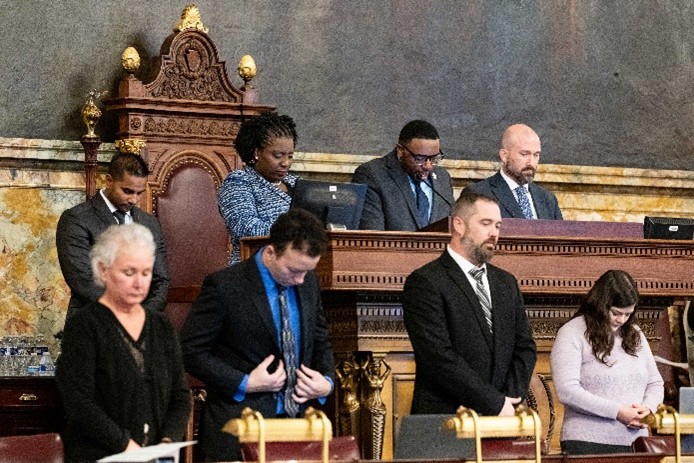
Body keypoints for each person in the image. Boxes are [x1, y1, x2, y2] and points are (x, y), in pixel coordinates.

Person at [180, 208, 336, 461]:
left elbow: (320, 340)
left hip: (298, 429)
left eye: (307, 271)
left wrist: (326, 382)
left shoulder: (308, 283)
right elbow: (190, 352)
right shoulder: (225, 286)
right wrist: (245, 382)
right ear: (271, 252)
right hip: (240, 427)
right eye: (293, 270)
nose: (300, 280)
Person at [56, 224, 191, 463]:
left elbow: (180, 396)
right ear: (103, 270)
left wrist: (167, 443)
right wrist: (126, 446)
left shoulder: (161, 326)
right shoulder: (84, 326)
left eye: (146, 273)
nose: (139, 283)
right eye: (129, 273)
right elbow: (79, 402)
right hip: (99, 456)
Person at [402, 191, 536, 416]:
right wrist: (493, 402)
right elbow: (438, 357)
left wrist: (509, 400)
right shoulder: (426, 281)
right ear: (459, 225)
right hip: (446, 418)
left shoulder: (506, 282)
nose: (494, 233)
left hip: (504, 416)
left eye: (498, 226)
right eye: (486, 223)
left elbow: (525, 347)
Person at [550, 270, 663, 455]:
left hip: (638, 442)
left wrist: (648, 408)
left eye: (628, 314)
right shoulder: (572, 332)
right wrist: (617, 411)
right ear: (600, 304)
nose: (621, 320)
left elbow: (655, 383)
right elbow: (567, 390)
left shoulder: (635, 333)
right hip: (586, 442)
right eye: (616, 313)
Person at [56, 152, 170, 317]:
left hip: (142, 323)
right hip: (92, 322)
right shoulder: (77, 219)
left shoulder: (150, 223)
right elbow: (83, 280)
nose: (134, 200)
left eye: (139, 193)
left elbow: (161, 280)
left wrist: (142, 316)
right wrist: (127, 312)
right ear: (109, 181)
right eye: (127, 191)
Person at [217, 111, 300, 265]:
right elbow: (247, 229)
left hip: (300, 267)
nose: (286, 163)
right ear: (257, 152)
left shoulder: (297, 183)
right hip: (254, 269)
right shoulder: (239, 182)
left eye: (290, 156)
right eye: (278, 156)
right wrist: (299, 232)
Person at [352, 120, 454, 231]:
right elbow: (372, 235)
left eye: (434, 158)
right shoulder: (373, 175)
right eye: (420, 158)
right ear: (400, 151)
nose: (428, 166)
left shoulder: (443, 178)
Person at [463, 124, 562, 220]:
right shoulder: (478, 193)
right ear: (504, 156)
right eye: (524, 154)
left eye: (536, 155)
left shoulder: (548, 199)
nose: (531, 162)